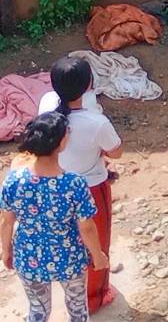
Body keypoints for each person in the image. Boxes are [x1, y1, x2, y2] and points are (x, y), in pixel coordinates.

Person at [1, 112, 109, 322]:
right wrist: (98, 255)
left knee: (38, 312)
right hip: (69, 258)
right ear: (61, 143)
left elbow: (7, 221)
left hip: (28, 257)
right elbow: (86, 227)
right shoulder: (73, 183)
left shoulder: (14, 180)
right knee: (78, 312)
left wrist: (6, 250)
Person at [39, 57, 121, 313]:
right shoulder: (97, 123)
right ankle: (94, 298)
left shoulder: (46, 105)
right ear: (88, 87)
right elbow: (116, 153)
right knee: (96, 244)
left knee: (65, 241)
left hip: (54, 186)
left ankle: (67, 290)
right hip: (91, 188)